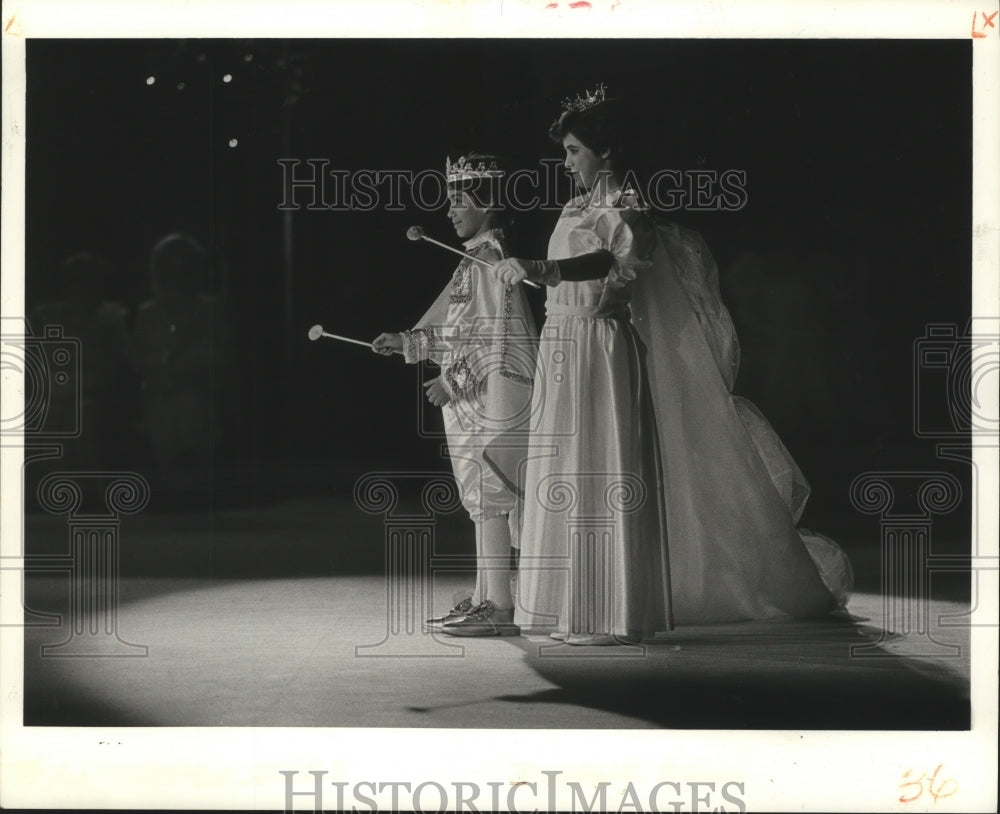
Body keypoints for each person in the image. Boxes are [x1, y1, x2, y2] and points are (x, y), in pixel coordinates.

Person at [493, 85, 851, 645]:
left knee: (598, 465)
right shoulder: (575, 207)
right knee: (564, 463)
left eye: (573, 150)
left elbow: (614, 260)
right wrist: (525, 270)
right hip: (565, 344)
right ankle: (562, 601)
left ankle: (608, 610)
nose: (567, 162)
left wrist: (542, 266)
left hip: (600, 347)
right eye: (564, 151)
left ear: (605, 151)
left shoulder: (627, 205)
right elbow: (564, 266)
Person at [372, 153, 538, 637]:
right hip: (470, 402)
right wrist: (408, 343)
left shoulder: (489, 262)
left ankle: (499, 605)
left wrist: (451, 380)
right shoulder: (475, 261)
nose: (449, 211)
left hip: (484, 400)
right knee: (478, 497)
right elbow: (456, 330)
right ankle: (489, 595)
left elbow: (497, 340)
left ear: (486, 203)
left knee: (487, 496)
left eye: (458, 200)